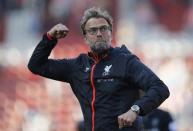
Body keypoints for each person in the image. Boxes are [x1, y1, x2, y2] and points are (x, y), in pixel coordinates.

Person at [28, 7, 170, 131]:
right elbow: (36, 65)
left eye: (103, 28)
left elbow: (160, 88)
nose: (99, 33)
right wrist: (49, 38)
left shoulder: (126, 61)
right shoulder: (76, 66)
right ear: (85, 36)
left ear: (110, 32)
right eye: (93, 30)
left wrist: (135, 110)